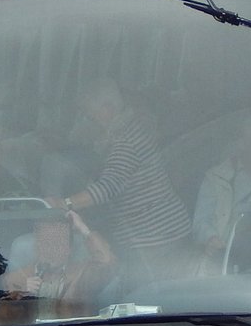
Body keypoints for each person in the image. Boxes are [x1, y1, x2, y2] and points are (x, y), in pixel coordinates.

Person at [51, 79, 192, 282]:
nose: (86, 119)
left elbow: (108, 186)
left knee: (150, 294)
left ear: (107, 108)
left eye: (88, 113)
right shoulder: (129, 130)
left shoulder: (126, 141)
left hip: (156, 237)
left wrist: (64, 204)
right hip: (159, 233)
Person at [192, 113, 251, 270]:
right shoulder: (217, 177)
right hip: (222, 264)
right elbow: (200, 222)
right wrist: (211, 239)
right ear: (243, 144)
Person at [0, 209, 115, 320]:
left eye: (58, 244)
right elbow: (1, 322)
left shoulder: (83, 273)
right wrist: (20, 295)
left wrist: (83, 229)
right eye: (46, 243)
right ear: (37, 247)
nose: (51, 250)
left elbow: (108, 262)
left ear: (69, 249)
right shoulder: (16, 279)